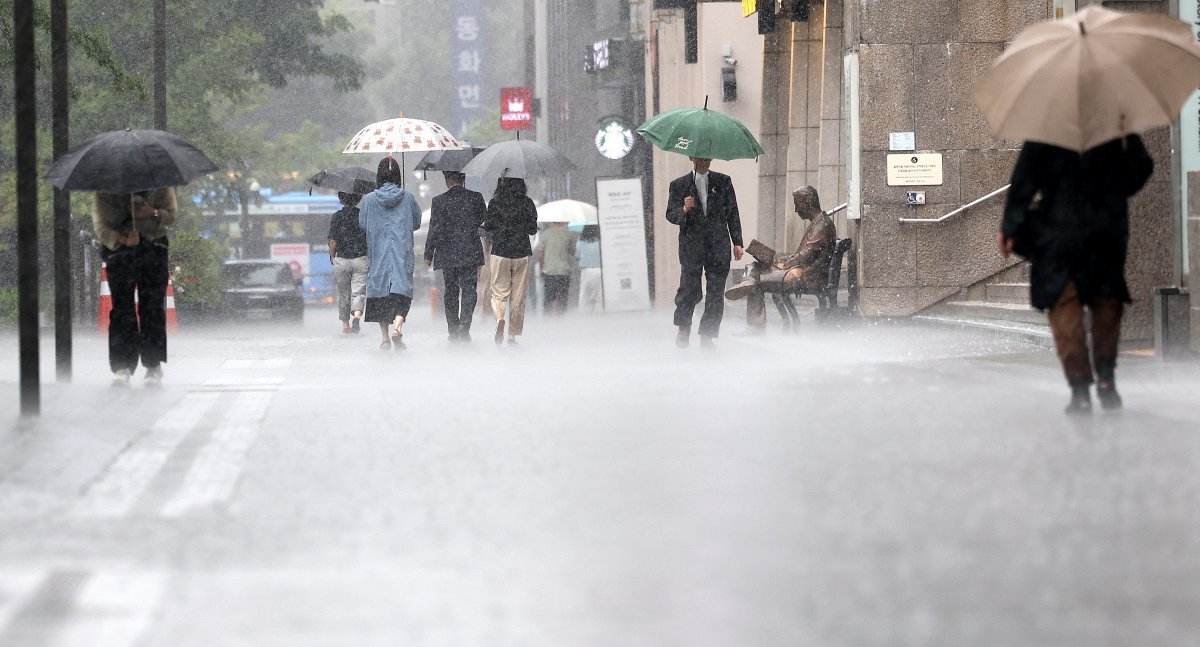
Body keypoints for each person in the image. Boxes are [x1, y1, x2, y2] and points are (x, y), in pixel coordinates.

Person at [1000, 135, 1153, 414]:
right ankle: (1105, 378)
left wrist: (1011, 225)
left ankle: (1081, 390)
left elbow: (1025, 177)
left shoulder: (1049, 127)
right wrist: (1112, 189)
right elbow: (1140, 167)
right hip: (1104, 232)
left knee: (1065, 310)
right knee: (1106, 304)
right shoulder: (1112, 125)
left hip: (1060, 236)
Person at [92, 188, 178, 386]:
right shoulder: (105, 190)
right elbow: (100, 227)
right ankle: (122, 365)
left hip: (154, 249)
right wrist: (123, 239)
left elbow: (171, 215)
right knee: (122, 310)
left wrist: (152, 213)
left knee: (153, 307)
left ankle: (153, 364)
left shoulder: (160, 184)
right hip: (119, 253)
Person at [725, 186, 835, 332]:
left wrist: (783, 264)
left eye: (797, 204)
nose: (796, 210)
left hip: (808, 275)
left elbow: (805, 256)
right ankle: (747, 280)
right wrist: (779, 260)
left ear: (808, 201)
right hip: (800, 270)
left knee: (757, 281)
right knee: (754, 266)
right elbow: (802, 255)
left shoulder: (822, 225)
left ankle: (755, 328)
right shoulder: (817, 223)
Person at [666, 156, 744, 349]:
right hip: (691, 246)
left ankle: (707, 334)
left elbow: (732, 212)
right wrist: (684, 208)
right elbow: (671, 215)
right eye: (700, 157)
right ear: (692, 158)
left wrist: (737, 242)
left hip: (717, 245)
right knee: (689, 288)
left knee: (716, 292)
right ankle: (684, 328)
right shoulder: (679, 185)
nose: (704, 161)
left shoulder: (723, 182)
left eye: (707, 157)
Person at [358, 157, 423, 351]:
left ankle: (385, 338)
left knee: (381, 295)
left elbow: (362, 223)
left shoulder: (369, 200)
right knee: (401, 292)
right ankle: (398, 328)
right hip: (401, 253)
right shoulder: (408, 198)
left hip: (378, 254)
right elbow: (417, 222)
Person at [425, 171, 487, 342]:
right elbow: (484, 222)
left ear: (447, 179)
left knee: (450, 291)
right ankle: (464, 327)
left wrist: (428, 254)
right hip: (470, 251)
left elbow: (434, 228)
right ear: (464, 178)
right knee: (469, 289)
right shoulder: (476, 198)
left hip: (447, 253)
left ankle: (453, 330)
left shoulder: (438, 201)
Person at [483, 177, 538, 345]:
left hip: (500, 252)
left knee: (498, 293)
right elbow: (532, 229)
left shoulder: (495, 202)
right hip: (522, 253)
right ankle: (512, 335)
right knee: (518, 296)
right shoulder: (527, 203)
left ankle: (500, 318)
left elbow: (489, 226)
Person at [328, 191, 369, 334]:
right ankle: (357, 316)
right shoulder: (363, 215)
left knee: (344, 293)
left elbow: (333, 240)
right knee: (358, 291)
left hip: (342, 259)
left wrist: (332, 254)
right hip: (361, 258)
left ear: (341, 199)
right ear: (358, 198)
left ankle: (345, 325)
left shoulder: (337, 217)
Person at [536, 221, 576, 315]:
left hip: (549, 272)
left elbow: (541, 255)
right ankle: (561, 321)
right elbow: (572, 252)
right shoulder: (569, 234)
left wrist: (542, 269)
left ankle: (547, 321)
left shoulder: (545, 234)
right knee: (562, 299)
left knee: (548, 299)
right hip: (564, 272)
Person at [576, 225, 603, 313]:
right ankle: (598, 313)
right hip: (599, 270)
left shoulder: (581, 241)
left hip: (586, 270)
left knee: (584, 295)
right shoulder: (600, 241)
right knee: (599, 295)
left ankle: (585, 315)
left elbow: (577, 255)